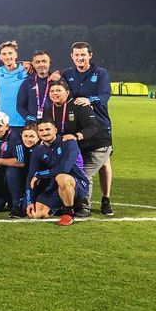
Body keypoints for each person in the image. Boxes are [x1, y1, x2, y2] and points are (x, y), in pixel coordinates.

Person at [61, 41, 114, 214]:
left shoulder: (101, 73)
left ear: (90, 55)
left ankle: (106, 199)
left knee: (104, 163)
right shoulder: (67, 74)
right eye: (76, 55)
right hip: (78, 125)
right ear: (72, 57)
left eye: (83, 54)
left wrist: (89, 100)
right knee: (83, 161)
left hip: (100, 123)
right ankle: (83, 200)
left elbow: (105, 95)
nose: (80, 58)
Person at [44, 80, 109, 217]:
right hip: (75, 148)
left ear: (67, 92)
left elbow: (93, 126)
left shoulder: (79, 105)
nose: (55, 93)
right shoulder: (49, 110)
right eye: (52, 91)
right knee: (69, 173)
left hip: (96, 146)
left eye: (58, 90)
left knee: (84, 174)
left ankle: (84, 205)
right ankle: (67, 202)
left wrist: (76, 136)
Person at [26, 119, 89, 226]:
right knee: (37, 214)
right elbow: (31, 176)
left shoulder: (69, 142)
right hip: (54, 185)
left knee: (61, 177)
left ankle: (68, 213)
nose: (45, 133)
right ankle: (61, 206)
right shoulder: (38, 150)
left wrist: (40, 175)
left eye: (48, 129)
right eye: (41, 130)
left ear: (55, 130)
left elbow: (64, 168)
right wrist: (30, 201)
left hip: (78, 183)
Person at [0, 111, 28, 218]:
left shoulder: (15, 138)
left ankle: (17, 205)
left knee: (12, 170)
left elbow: (21, 162)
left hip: (16, 176)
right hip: (0, 176)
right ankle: (2, 198)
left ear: (7, 126)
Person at [0, 41, 28, 133]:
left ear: (16, 55)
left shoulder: (26, 70)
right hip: (5, 122)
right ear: (0, 57)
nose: (7, 56)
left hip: (24, 121)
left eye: (10, 53)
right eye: (4, 54)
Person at [16, 51, 53, 127]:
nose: (41, 64)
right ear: (33, 64)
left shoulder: (57, 81)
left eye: (44, 61)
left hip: (52, 125)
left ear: (49, 63)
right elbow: (20, 107)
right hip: (32, 126)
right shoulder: (27, 83)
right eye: (37, 62)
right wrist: (31, 119)